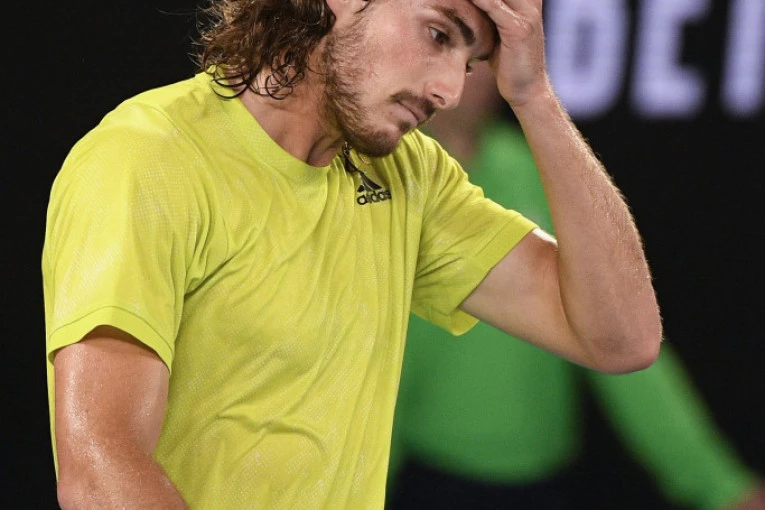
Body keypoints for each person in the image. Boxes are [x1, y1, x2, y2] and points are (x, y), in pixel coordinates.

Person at [42, 0, 663, 508]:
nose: (450, 89)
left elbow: (622, 339)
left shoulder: (410, 177)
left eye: (471, 62)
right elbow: (102, 474)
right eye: (438, 34)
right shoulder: (147, 159)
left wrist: (535, 98)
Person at [386, 62, 765, 510]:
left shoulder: (537, 171)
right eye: (443, 39)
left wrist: (721, 488)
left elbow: (620, 338)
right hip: (424, 479)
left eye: (482, 56)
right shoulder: (379, 181)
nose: (468, 75)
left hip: (547, 485)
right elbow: (372, 354)